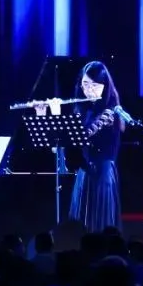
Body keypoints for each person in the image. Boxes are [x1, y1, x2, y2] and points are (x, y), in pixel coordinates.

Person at [37, 61, 124, 232]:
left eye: (94, 85)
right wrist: (42, 115)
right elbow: (60, 144)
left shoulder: (110, 112)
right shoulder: (83, 110)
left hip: (102, 174)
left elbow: (81, 136)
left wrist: (56, 113)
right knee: (81, 225)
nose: (88, 90)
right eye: (85, 84)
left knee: (99, 226)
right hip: (84, 172)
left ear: (105, 86)